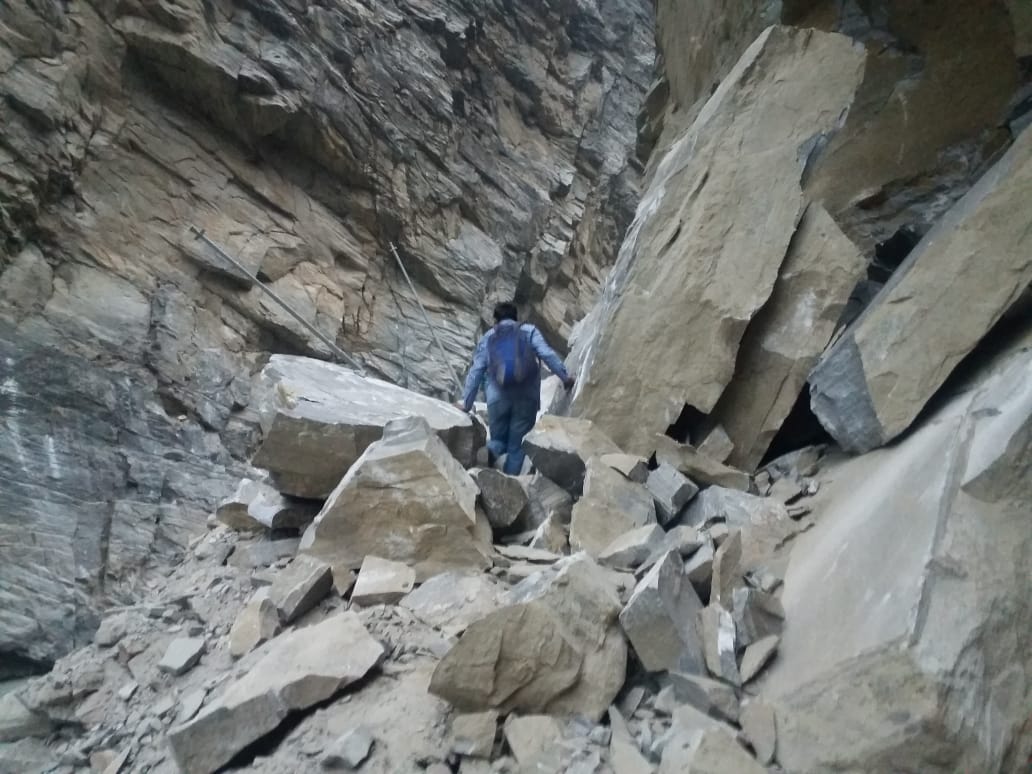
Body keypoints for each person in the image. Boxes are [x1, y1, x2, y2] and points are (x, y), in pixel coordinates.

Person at [458, 302, 575, 475]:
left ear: (495, 320)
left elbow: (476, 370)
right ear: (515, 318)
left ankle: (486, 461)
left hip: (497, 398)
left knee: (498, 441)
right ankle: (507, 487)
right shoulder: (528, 331)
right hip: (526, 397)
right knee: (516, 447)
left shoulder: (489, 337)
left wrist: (466, 403)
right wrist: (565, 378)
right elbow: (546, 354)